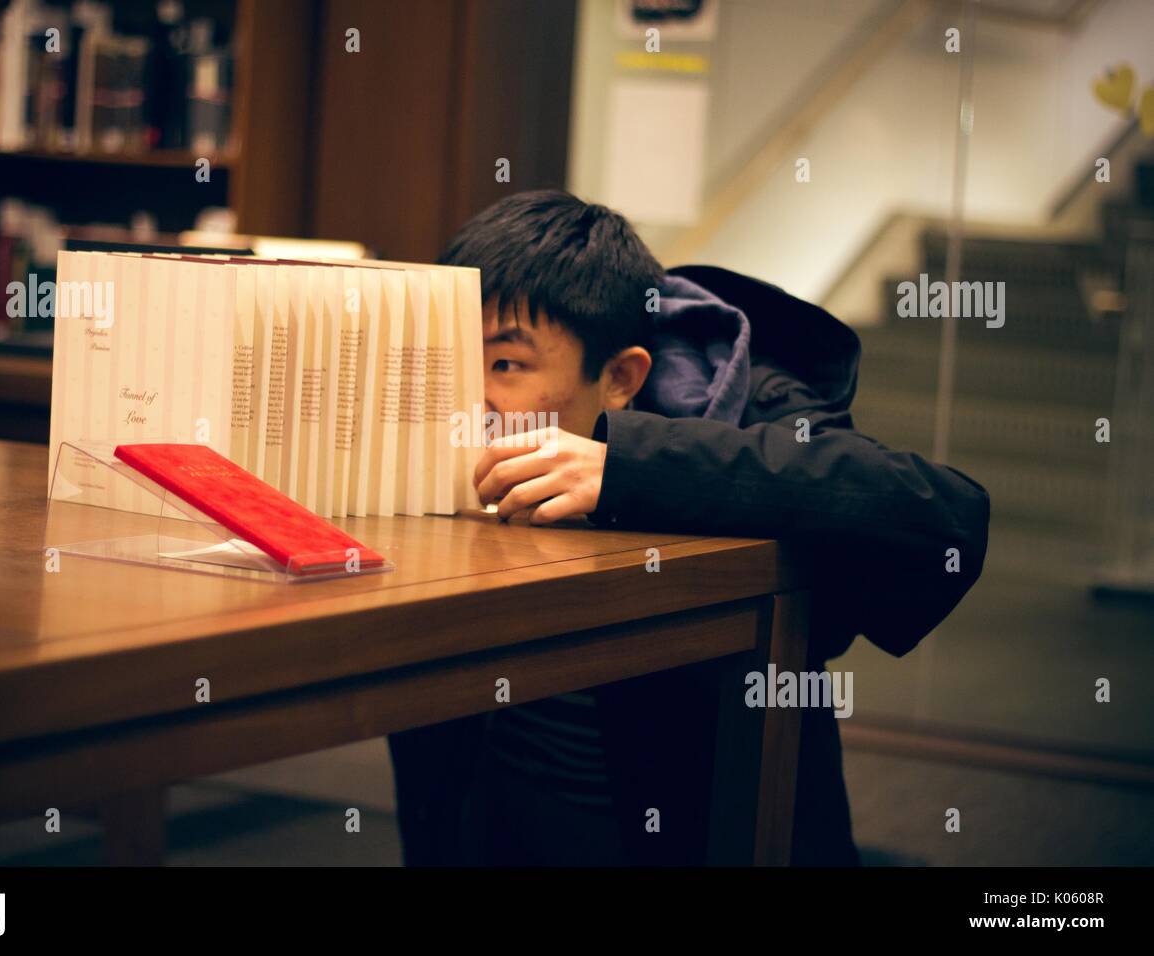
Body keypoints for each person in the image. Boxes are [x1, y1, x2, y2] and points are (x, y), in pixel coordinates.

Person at [387, 189, 991, 866]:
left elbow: (944, 517)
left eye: (505, 364)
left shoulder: (741, 397)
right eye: (454, 358)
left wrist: (627, 467)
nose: (472, 397)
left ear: (620, 378)